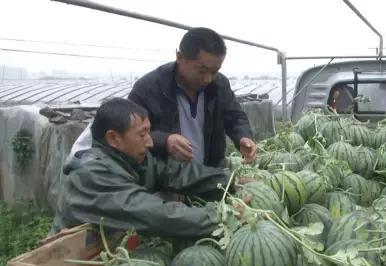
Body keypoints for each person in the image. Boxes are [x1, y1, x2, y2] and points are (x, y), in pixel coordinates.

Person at [66, 27, 256, 167]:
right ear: (180, 57)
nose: (208, 79)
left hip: (209, 173)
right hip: (168, 180)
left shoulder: (219, 84)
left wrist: (243, 137)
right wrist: (165, 141)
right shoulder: (149, 87)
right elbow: (131, 134)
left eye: (215, 71)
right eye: (202, 70)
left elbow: (234, 116)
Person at [52, 98, 236, 239]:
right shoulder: (92, 175)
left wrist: (231, 181)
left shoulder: (131, 158)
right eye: (142, 134)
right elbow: (156, 215)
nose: (150, 142)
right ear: (113, 138)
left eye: (148, 131)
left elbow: (177, 174)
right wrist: (223, 217)